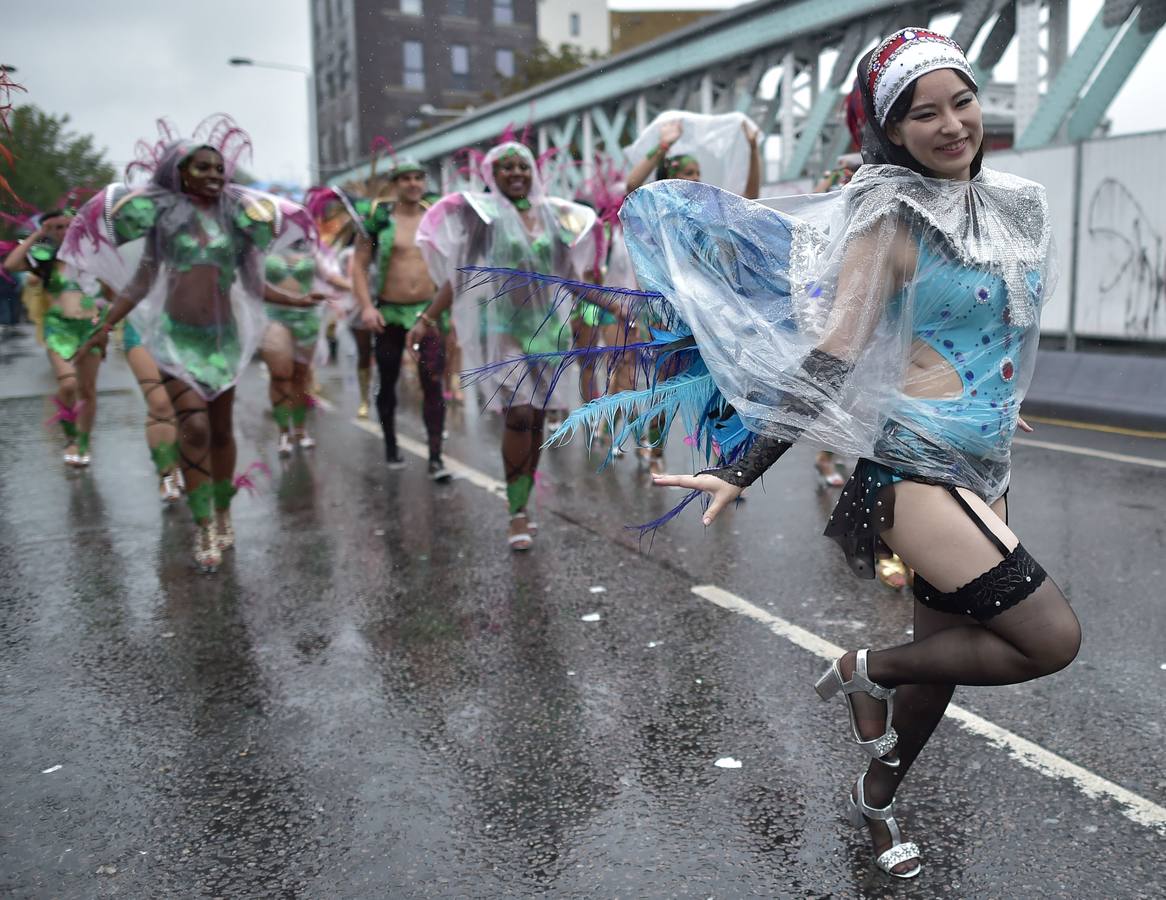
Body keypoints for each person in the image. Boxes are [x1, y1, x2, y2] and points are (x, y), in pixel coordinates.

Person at [633, 29, 1080, 878]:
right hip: (913, 465)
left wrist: (998, 404)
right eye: (923, 113)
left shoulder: (1017, 204)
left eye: (962, 101)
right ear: (891, 130)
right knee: (1047, 638)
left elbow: (999, 327)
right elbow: (835, 356)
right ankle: (861, 667)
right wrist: (741, 465)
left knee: (940, 676)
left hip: (985, 462)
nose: (952, 125)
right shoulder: (888, 222)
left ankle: (875, 801)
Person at [64, 117, 317, 571]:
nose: (215, 175)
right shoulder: (163, 218)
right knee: (194, 427)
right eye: (203, 168)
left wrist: (298, 300)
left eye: (219, 168)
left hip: (222, 342)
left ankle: (222, 513)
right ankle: (202, 524)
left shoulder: (238, 221)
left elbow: (255, 285)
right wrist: (106, 324)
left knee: (220, 431)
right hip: (176, 339)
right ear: (180, 173)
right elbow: (142, 280)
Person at [410, 141, 599, 549]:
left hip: (549, 332)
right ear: (492, 175)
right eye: (507, 167)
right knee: (518, 415)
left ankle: (523, 498)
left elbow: (572, 276)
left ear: (533, 172)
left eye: (523, 167)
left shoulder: (553, 217)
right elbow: (458, 276)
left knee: (535, 419)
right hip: (504, 331)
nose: (516, 173)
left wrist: (616, 306)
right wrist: (427, 318)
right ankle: (516, 514)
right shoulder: (487, 219)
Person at [346, 160, 452, 481]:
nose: (412, 184)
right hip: (389, 313)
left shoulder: (436, 217)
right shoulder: (379, 219)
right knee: (388, 382)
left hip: (428, 314)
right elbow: (359, 266)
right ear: (395, 183)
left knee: (433, 385)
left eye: (418, 178)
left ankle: (436, 458)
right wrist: (366, 307)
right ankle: (391, 445)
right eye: (405, 178)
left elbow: (452, 264)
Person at [3, 209, 104, 467]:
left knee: (88, 390)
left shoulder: (92, 255)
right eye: (56, 227)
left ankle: (83, 441)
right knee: (69, 385)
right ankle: (70, 439)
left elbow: (111, 288)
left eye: (66, 226)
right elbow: (11, 265)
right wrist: (37, 234)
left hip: (89, 328)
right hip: (59, 329)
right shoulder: (44, 258)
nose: (62, 232)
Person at [261, 238, 335, 455]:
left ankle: (300, 430)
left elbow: (328, 276)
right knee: (280, 376)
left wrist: (355, 287)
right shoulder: (263, 244)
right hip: (274, 316)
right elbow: (251, 278)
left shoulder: (311, 246)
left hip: (307, 319)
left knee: (300, 377)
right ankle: (283, 432)